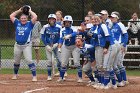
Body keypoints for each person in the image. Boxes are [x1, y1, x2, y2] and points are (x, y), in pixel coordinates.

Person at [87, 15, 117, 89]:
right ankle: (109, 83)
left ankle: (106, 83)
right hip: (104, 47)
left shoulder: (103, 26)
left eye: (97, 19)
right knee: (104, 66)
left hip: (110, 46)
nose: (96, 20)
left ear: (101, 19)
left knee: (106, 66)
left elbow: (108, 37)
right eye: (94, 19)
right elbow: (96, 37)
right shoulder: (98, 27)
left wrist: (106, 48)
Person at [10, 6, 38, 81]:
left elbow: (35, 16)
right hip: (17, 45)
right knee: (16, 61)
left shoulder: (30, 24)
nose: (23, 19)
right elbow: (11, 16)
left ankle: (34, 76)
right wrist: (19, 10)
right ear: (20, 19)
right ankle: (15, 74)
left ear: (27, 19)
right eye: (22, 18)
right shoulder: (17, 23)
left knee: (29, 60)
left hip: (26, 45)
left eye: (25, 18)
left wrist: (30, 11)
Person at [57, 15, 82, 83]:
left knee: (77, 62)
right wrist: (59, 47)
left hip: (74, 46)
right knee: (63, 63)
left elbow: (75, 33)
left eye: (68, 22)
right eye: (66, 22)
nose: (67, 23)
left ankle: (80, 77)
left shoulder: (73, 28)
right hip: (66, 47)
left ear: (71, 22)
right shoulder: (62, 30)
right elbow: (61, 39)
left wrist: (69, 35)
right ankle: (61, 77)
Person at [109, 11, 129, 86]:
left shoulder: (120, 25)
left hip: (121, 45)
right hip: (115, 46)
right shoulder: (113, 25)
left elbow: (125, 35)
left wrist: (124, 45)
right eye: (111, 17)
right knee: (116, 63)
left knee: (119, 63)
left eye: (113, 17)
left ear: (117, 18)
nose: (111, 19)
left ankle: (124, 80)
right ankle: (121, 79)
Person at [40, 14, 62, 81]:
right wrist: (46, 45)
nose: (51, 20)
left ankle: (61, 75)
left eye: (53, 19)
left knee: (60, 60)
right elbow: (42, 37)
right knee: (49, 61)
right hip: (48, 46)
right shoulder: (45, 27)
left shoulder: (59, 27)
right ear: (48, 20)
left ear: (55, 20)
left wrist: (57, 44)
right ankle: (49, 75)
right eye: (50, 19)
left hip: (56, 45)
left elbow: (61, 37)